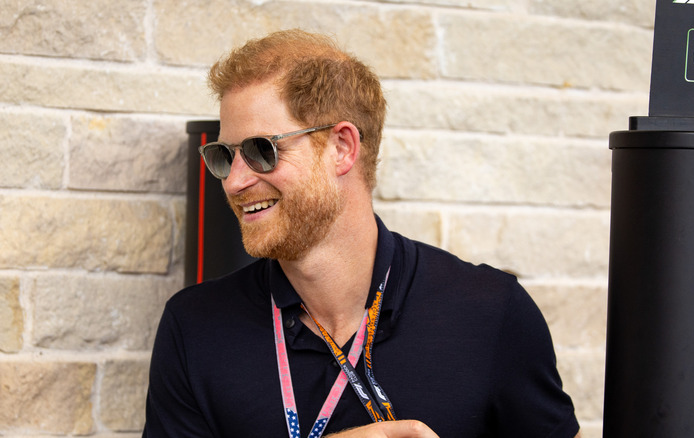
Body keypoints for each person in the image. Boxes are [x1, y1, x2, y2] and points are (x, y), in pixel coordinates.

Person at [143, 29, 582, 438]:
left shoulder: (491, 312)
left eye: (262, 151)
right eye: (224, 156)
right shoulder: (194, 327)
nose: (234, 182)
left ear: (342, 147)